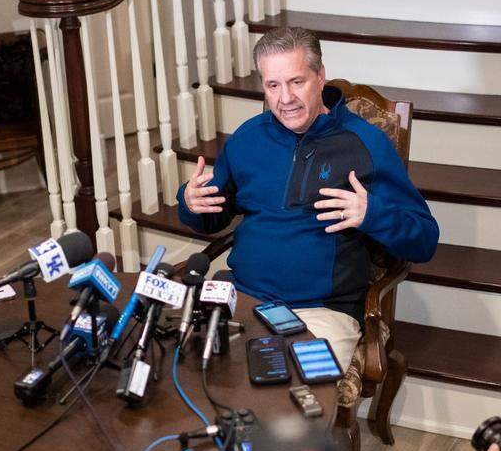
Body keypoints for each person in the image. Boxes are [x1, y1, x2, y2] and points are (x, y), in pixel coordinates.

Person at [177, 26, 438, 366]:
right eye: (273, 85)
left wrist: (372, 213)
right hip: (242, 298)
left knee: (293, 406)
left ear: (320, 77)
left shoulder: (366, 144)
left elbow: (425, 240)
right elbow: (213, 215)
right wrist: (190, 202)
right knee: (188, 372)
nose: (285, 99)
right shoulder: (248, 138)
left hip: (321, 313)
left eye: (296, 82)